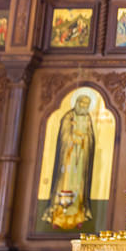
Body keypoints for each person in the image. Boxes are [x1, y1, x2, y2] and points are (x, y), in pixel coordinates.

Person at [41, 94, 96, 229]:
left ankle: (78, 215)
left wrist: (84, 139)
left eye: (86, 105)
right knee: (65, 183)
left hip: (82, 156)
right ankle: (58, 216)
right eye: (82, 104)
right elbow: (64, 135)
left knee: (79, 184)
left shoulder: (88, 118)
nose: (84, 107)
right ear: (77, 103)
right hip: (68, 158)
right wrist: (72, 139)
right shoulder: (68, 117)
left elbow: (90, 137)